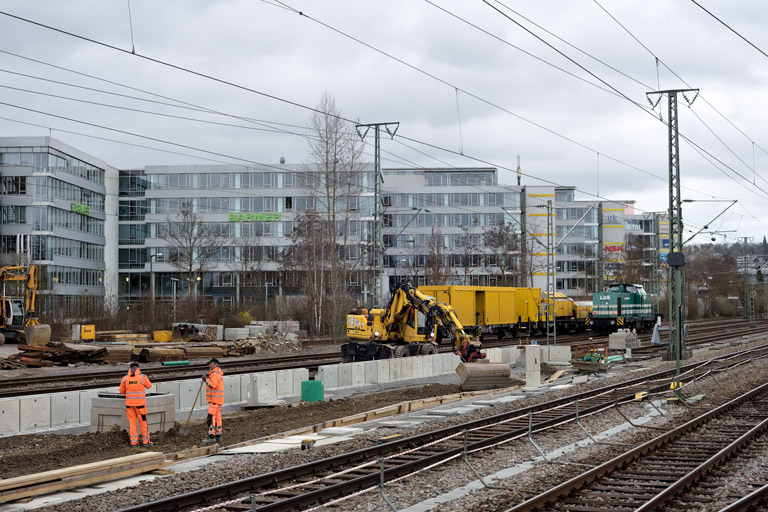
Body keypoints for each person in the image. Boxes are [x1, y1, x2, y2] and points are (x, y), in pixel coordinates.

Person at [119, 361, 153, 447]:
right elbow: (149, 386)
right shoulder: (142, 377)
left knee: (132, 423)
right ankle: (146, 442)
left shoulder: (125, 379)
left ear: (130, 369)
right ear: (138, 368)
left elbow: (121, 391)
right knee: (143, 423)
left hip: (130, 406)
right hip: (140, 406)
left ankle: (134, 442)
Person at [202, 358, 224, 444]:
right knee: (218, 417)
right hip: (218, 400)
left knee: (210, 418)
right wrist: (208, 377)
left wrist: (205, 380)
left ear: (215, 365)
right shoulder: (217, 374)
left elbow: (212, 385)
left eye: (210, 364)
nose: (209, 365)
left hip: (214, 400)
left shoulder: (215, 374)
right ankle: (219, 435)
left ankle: (211, 436)